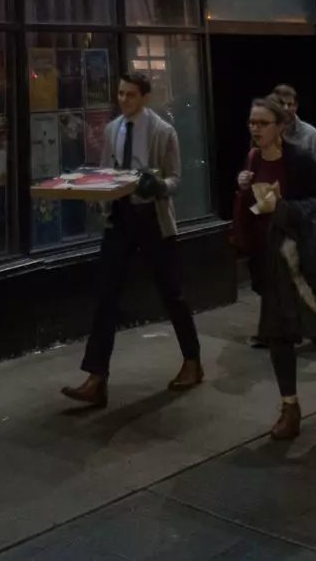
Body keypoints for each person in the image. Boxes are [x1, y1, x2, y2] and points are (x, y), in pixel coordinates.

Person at [61, 71, 202, 408]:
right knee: (106, 295)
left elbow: (176, 178)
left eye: (130, 95)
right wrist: (96, 192)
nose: (123, 100)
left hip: (151, 218)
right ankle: (96, 378)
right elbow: (107, 170)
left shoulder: (163, 131)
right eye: (120, 94)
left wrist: (159, 187)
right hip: (120, 216)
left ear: (145, 97)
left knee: (171, 292)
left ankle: (193, 362)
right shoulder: (113, 129)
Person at [235, 98, 316, 437]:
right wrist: (243, 190)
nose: (256, 129)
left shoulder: (300, 161)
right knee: (277, 337)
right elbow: (247, 210)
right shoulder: (252, 160)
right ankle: (290, 408)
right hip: (270, 259)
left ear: (280, 127)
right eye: (252, 123)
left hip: (301, 258)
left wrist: (284, 208)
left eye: (263, 123)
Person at [270, 83, 316, 190]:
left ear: (296, 106)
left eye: (290, 104)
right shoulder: (268, 133)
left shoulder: (310, 134)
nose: (286, 108)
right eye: (281, 104)